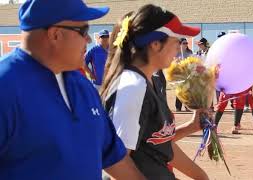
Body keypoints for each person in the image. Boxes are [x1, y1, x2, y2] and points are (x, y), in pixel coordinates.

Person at [0, 0, 144, 179]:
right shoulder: (6, 87)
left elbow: (114, 157)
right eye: (83, 31)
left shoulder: (82, 85)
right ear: (55, 34)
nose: (89, 39)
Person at [101, 4, 209, 179]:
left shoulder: (150, 80)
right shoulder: (132, 86)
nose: (178, 48)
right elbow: (117, 162)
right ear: (156, 44)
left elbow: (157, 144)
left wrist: (192, 127)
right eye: (176, 41)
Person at [175, 38, 192, 112]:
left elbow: (192, 61)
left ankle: (187, 106)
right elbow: (174, 62)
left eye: (186, 43)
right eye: (184, 43)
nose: (185, 45)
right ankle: (178, 107)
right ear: (180, 44)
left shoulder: (189, 52)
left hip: (188, 73)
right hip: (179, 74)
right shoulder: (176, 52)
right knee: (179, 91)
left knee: (187, 91)